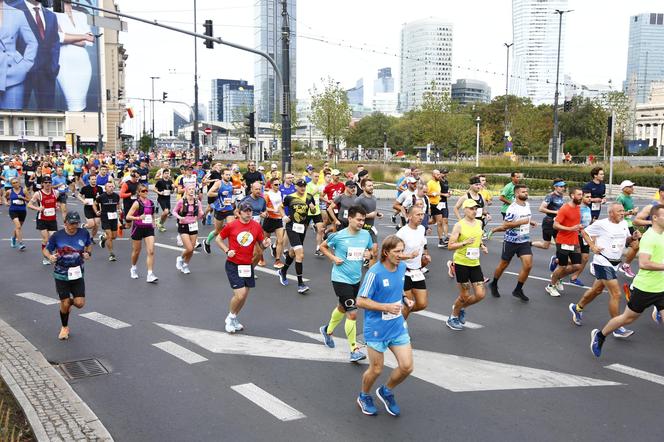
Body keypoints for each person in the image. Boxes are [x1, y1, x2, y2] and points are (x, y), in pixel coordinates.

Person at [590, 204, 664, 358]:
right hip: (645, 289)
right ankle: (600, 335)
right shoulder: (650, 237)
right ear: (655, 218)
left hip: (661, 288)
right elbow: (644, 264)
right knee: (627, 318)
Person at [356, 235, 414, 417]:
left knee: (407, 367)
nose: (400, 255)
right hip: (376, 329)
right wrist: (385, 307)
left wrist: (405, 298)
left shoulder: (402, 267)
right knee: (376, 369)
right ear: (386, 252)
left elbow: (398, 288)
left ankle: (386, 390)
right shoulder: (375, 273)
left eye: (402, 251)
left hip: (397, 326)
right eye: (397, 251)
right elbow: (360, 301)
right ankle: (364, 395)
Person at [569, 203, 638, 338]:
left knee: (597, 290)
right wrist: (592, 246)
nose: (622, 213)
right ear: (611, 213)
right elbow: (584, 232)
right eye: (619, 211)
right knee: (616, 294)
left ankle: (577, 308)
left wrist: (633, 237)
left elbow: (627, 240)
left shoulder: (623, 223)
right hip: (602, 262)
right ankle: (616, 327)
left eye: (623, 211)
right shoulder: (601, 224)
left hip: (614, 263)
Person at [319, 206, 373, 362]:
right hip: (340, 278)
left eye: (363, 220)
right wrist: (333, 258)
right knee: (353, 312)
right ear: (349, 218)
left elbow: (370, 251)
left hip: (356, 279)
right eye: (358, 219)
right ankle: (354, 350)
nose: (361, 222)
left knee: (342, 307)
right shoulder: (339, 236)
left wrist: (369, 254)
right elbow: (323, 247)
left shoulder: (365, 235)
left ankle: (327, 330)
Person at [216, 202, 271, 333]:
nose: (248, 213)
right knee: (240, 295)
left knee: (244, 296)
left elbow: (261, 246)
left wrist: (265, 244)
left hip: (247, 265)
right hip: (233, 264)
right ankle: (229, 318)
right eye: (245, 211)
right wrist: (226, 250)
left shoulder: (256, 226)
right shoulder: (232, 225)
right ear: (239, 213)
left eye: (250, 210)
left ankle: (234, 317)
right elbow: (218, 239)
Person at [43, 211, 91, 340]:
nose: (74, 226)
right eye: (72, 223)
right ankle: (64, 327)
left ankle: (66, 303)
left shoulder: (83, 233)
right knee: (64, 303)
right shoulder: (57, 236)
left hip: (77, 273)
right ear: (65, 223)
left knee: (80, 303)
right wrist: (50, 256)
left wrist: (88, 254)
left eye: (77, 223)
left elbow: (88, 245)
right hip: (61, 274)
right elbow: (46, 249)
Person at [545, 188, 599, 298]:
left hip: (574, 241)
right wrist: (571, 228)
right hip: (563, 241)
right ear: (572, 196)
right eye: (579, 195)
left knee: (577, 266)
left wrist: (592, 242)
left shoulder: (579, 208)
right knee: (562, 267)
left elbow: (578, 225)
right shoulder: (565, 208)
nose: (581, 196)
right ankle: (551, 285)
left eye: (582, 194)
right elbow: (555, 225)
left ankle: (558, 278)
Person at [487, 184, 536, 301]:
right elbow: (506, 225)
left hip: (524, 241)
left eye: (526, 191)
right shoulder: (512, 208)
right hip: (511, 241)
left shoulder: (527, 205)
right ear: (517, 194)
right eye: (523, 192)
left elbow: (526, 219)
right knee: (504, 264)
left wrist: (530, 222)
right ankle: (494, 283)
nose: (526, 193)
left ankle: (518, 290)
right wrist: (521, 222)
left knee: (528, 265)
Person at [446, 199, 488, 330]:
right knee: (464, 295)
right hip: (461, 263)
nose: (474, 211)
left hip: (475, 263)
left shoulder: (479, 223)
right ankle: (452, 317)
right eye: (471, 209)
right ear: (464, 210)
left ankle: (460, 308)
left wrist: (482, 246)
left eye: (475, 209)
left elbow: (478, 237)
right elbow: (450, 246)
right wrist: (464, 243)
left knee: (480, 294)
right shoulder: (459, 225)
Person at [15, 0, 61, 110]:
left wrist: (53, 67)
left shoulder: (51, 16)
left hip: (47, 73)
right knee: (17, 112)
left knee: (48, 112)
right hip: (21, 73)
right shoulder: (14, 9)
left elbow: (55, 43)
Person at [54, 0, 94, 111]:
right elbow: (60, 38)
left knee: (81, 104)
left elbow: (91, 40)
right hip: (65, 63)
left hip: (83, 63)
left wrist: (71, 37)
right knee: (73, 105)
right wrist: (84, 36)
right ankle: (74, 127)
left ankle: (81, 127)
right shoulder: (52, 13)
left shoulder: (81, 15)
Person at [278, 178, 315, 294]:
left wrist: (313, 210)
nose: (302, 188)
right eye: (300, 186)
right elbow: (280, 207)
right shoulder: (290, 197)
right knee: (300, 254)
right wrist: (284, 216)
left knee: (293, 252)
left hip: (302, 228)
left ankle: (283, 271)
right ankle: (300, 284)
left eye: (304, 186)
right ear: (296, 187)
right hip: (291, 227)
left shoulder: (309, 197)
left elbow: (312, 212)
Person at [0, 0, 37, 109]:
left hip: (13, 75)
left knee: (15, 121)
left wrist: (25, 65)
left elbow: (32, 42)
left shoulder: (17, 13)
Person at [396, 205, 430, 318]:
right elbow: (393, 255)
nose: (421, 217)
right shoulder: (402, 233)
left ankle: (397, 316)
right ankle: (400, 331)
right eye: (418, 215)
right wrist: (409, 256)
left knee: (422, 304)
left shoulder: (421, 229)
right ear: (409, 216)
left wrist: (425, 255)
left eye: (422, 214)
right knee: (407, 305)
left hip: (417, 272)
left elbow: (422, 244)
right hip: (403, 272)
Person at [125, 184, 158, 283]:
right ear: (139, 193)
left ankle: (150, 274)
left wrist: (154, 222)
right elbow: (128, 216)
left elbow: (152, 214)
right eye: (143, 191)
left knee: (151, 251)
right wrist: (138, 218)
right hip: (138, 228)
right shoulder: (136, 203)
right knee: (136, 251)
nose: (145, 192)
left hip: (148, 229)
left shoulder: (151, 202)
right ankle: (133, 268)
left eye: (146, 190)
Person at [27, 176, 58, 265]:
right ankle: (46, 257)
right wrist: (38, 208)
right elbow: (29, 205)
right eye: (45, 182)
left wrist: (57, 206)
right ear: (42, 184)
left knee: (53, 238)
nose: (48, 184)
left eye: (49, 182)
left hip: (52, 219)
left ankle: (52, 256)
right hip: (42, 219)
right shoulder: (38, 194)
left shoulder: (56, 192)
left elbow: (56, 202)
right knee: (45, 239)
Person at [173, 184, 204, 274]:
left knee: (192, 248)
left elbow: (200, 211)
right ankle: (180, 258)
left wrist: (201, 214)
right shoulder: (181, 201)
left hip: (193, 225)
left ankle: (185, 265)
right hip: (183, 225)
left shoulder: (197, 202)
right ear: (186, 190)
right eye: (189, 189)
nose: (191, 191)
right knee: (189, 248)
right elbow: (174, 211)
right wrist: (180, 217)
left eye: (192, 189)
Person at [204, 169, 236, 254]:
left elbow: (230, 194)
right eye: (226, 175)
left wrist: (234, 193)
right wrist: (220, 193)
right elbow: (209, 193)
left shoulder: (230, 183)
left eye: (229, 175)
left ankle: (232, 249)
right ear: (222, 175)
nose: (228, 176)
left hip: (229, 209)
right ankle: (207, 242)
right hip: (219, 209)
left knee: (231, 228)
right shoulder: (218, 183)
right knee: (217, 231)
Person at [532, 179, 566, 251]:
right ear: (555, 187)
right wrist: (555, 212)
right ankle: (530, 244)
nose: (563, 188)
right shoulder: (550, 196)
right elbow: (541, 209)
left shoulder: (561, 196)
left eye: (563, 186)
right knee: (545, 245)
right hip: (549, 222)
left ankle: (557, 260)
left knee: (560, 244)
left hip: (557, 222)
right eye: (561, 186)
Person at [355, 178, 382, 266]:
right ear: (363, 187)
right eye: (369, 185)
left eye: (372, 185)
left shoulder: (374, 198)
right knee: (356, 255)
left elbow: (372, 210)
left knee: (375, 251)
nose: (371, 187)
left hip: (370, 228)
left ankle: (371, 273)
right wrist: (369, 215)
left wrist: (377, 214)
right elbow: (354, 215)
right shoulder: (359, 200)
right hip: (360, 229)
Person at [616, 180, 639, 278]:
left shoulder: (629, 197)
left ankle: (625, 266)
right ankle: (600, 263)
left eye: (632, 186)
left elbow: (630, 211)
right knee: (617, 247)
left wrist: (634, 212)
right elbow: (617, 212)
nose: (632, 188)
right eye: (630, 187)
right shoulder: (620, 198)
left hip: (628, 224)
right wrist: (630, 212)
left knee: (636, 245)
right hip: (621, 224)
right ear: (624, 188)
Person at [262, 177, 286, 268]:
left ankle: (277, 260)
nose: (278, 186)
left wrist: (282, 212)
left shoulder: (280, 193)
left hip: (278, 219)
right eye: (276, 184)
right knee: (265, 242)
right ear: (271, 185)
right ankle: (260, 257)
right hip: (269, 219)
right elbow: (263, 207)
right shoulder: (267, 194)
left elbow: (282, 204)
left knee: (280, 240)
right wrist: (273, 209)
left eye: (279, 184)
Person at [95, 181, 120, 261]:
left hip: (114, 217)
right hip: (105, 217)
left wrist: (119, 209)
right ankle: (111, 254)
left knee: (114, 236)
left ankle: (103, 238)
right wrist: (97, 211)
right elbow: (94, 203)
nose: (111, 188)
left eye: (112, 186)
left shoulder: (116, 196)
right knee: (109, 235)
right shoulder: (102, 196)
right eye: (109, 186)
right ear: (105, 188)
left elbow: (118, 203)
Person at [77, 173, 102, 241]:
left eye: (95, 179)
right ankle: (84, 226)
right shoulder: (85, 188)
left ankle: (91, 238)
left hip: (97, 208)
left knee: (96, 225)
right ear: (89, 180)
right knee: (91, 224)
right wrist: (83, 201)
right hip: (88, 208)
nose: (94, 181)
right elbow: (78, 195)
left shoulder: (99, 188)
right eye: (92, 179)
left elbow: (102, 199)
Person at [6, 177, 28, 250]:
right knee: (18, 226)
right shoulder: (9, 191)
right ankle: (21, 243)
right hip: (13, 210)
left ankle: (13, 238)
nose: (15, 184)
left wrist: (23, 198)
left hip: (22, 211)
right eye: (13, 183)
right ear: (12, 185)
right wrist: (6, 202)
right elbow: (5, 197)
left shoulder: (24, 190)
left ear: (19, 182)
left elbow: (30, 200)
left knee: (18, 227)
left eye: (16, 182)